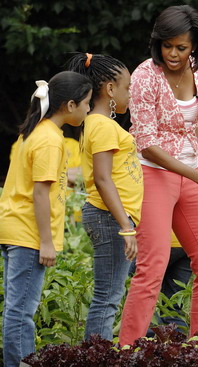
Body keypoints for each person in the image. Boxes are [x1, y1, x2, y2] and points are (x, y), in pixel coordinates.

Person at [118, 5, 198, 346]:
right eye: (167, 45)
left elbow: (194, 125)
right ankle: (128, 350)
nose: (173, 53)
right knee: (152, 268)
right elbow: (148, 144)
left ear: (195, 47)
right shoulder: (144, 77)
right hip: (154, 173)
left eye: (181, 47)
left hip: (193, 176)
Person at [0, 71, 92, 367]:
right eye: (87, 104)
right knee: (21, 311)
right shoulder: (51, 141)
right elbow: (40, 194)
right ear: (69, 105)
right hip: (27, 233)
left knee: (17, 308)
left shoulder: (36, 132)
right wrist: (46, 242)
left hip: (15, 227)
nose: (89, 110)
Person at [66, 52, 143, 340]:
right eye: (128, 88)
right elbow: (102, 178)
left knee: (111, 295)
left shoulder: (102, 125)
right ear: (110, 89)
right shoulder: (102, 125)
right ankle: (97, 357)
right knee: (107, 297)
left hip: (112, 218)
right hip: (109, 218)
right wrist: (126, 226)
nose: (131, 96)